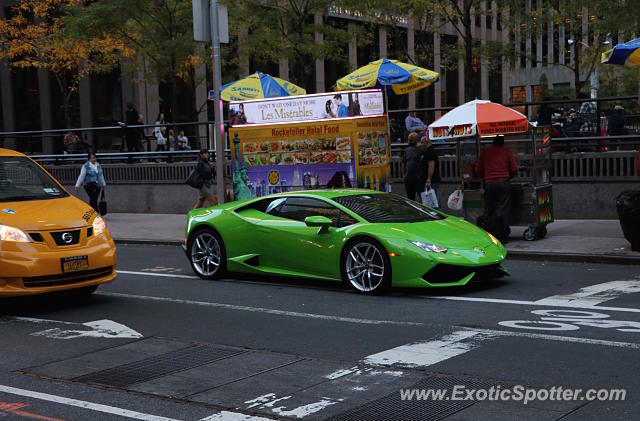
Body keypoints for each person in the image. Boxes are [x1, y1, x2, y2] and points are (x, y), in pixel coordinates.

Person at [474, 136, 518, 242]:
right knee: (503, 208)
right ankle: (502, 233)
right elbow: (515, 168)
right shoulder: (507, 152)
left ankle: (488, 232)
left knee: (489, 208)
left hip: (489, 183)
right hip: (504, 183)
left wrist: (485, 176)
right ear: (502, 143)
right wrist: (508, 176)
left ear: (492, 143)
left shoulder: (485, 153)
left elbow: (478, 170)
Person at [401, 132, 423, 201]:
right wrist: (403, 176)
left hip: (418, 179)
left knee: (422, 197)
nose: (409, 142)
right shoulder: (407, 150)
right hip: (408, 179)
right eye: (408, 140)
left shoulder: (421, 150)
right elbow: (403, 163)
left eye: (411, 140)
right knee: (410, 198)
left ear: (416, 140)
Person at [420, 136, 441, 207]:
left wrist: (428, 180)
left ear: (427, 143)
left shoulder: (430, 152)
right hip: (430, 180)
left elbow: (431, 166)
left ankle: (435, 216)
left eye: (422, 142)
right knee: (430, 202)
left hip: (432, 181)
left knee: (432, 202)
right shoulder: (427, 151)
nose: (421, 144)